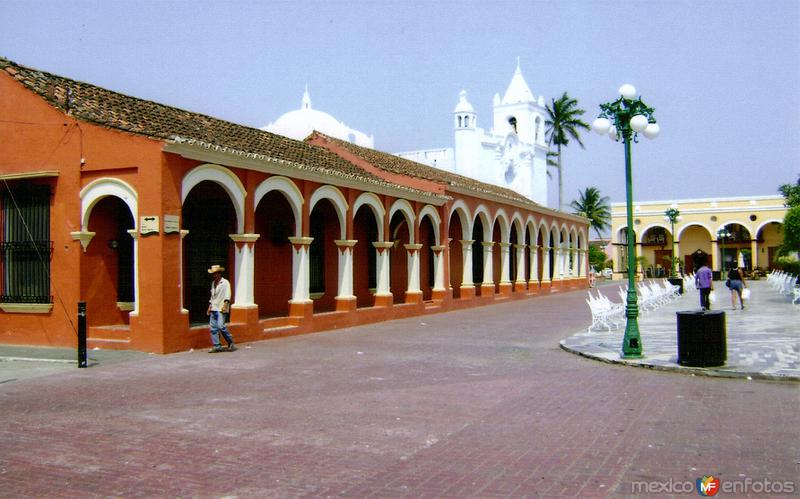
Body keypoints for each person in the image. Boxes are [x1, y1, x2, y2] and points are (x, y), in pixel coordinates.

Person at [207, 264, 236, 353]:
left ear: (219, 273)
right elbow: (213, 297)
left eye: (215, 273)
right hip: (214, 307)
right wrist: (209, 307)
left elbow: (228, 294)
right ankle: (217, 346)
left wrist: (225, 305)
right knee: (213, 328)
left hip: (221, 307)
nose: (214, 275)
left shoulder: (225, 283)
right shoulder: (213, 283)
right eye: (213, 274)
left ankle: (230, 341)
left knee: (221, 326)